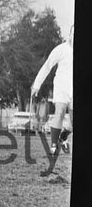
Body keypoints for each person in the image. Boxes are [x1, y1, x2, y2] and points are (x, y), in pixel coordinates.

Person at [31, 24, 74, 156]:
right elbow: (47, 66)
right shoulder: (61, 49)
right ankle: (54, 144)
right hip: (62, 86)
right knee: (60, 112)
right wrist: (37, 85)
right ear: (70, 35)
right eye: (73, 33)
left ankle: (63, 136)